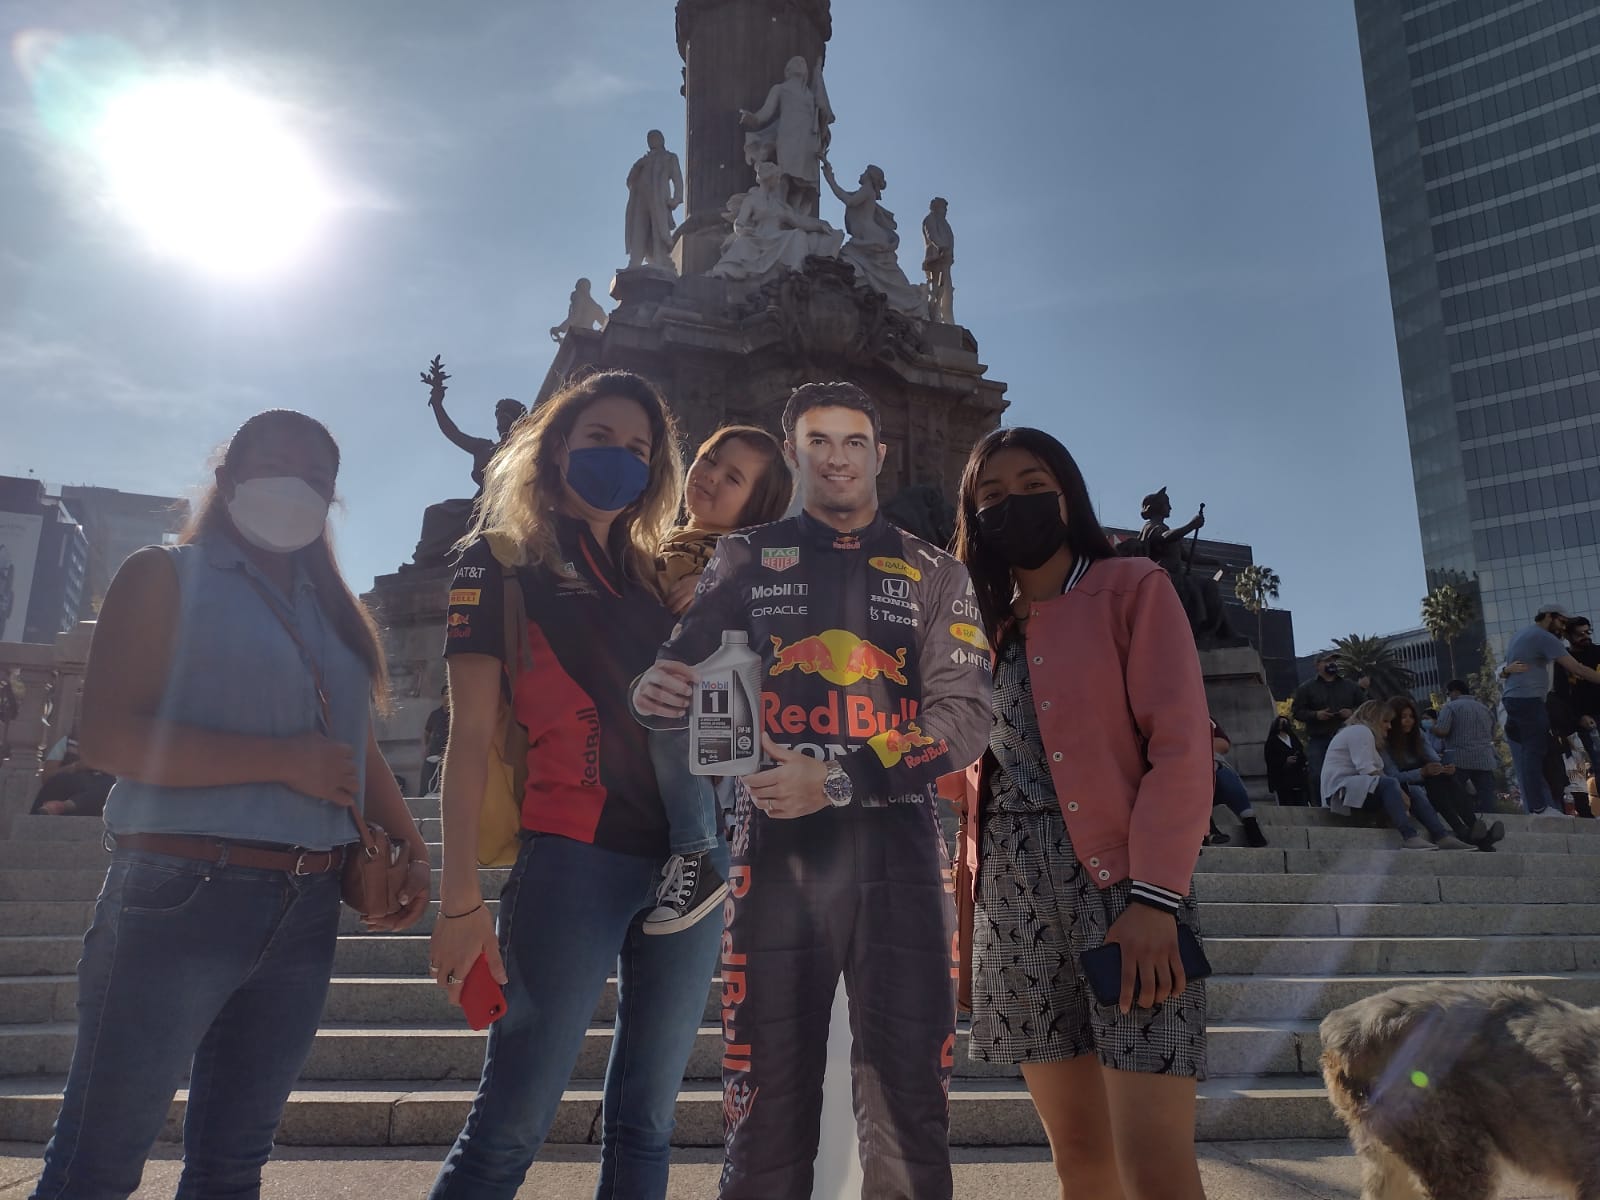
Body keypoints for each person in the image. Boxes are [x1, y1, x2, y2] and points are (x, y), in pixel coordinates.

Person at [31, 409, 431, 1200]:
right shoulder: (163, 574)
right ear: (227, 479)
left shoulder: (332, 606)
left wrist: (409, 842)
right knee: (97, 1161)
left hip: (308, 900)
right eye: (276, 467)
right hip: (180, 886)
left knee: (235, 1162)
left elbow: (355, 743)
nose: (296, 488)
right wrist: (282, 762)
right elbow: (108, 738)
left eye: (316, 479)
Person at [632, 382, 991, 1200]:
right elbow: (683, 662)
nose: (837, 458)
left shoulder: (938, 572)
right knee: (763, 1102)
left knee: (910, 1103)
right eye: (818, 442)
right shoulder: (743, 556)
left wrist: (834, 777)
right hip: (771, 852)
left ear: (879, 454)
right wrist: (653, 689)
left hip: (901, 854)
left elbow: (965, 719)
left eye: (854, 441)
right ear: (794, 454)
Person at [425, 370, 720, 1199]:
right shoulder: (500, 561)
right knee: (509, 1126)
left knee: (648, 1126)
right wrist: (458, 901)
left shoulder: (655, 575)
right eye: (600, 439)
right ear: (556, 448)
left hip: (688, 868)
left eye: (638, 448)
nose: (619, 458)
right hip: (573, 856)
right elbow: (469, 737)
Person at [944, 426, 1213, 1200]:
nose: (1014, 503)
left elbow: (1182, 747)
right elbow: (960, 773)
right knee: (1082, 1164)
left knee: (1155, 1169)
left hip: (1125, 895)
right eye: (992, 495)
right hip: (1010, 903)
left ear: (1068, 495)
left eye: (1034, 485)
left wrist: (1155, 901)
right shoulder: (978, 629)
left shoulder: (1132, 587)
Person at [643, 424, 794, 933]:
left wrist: (717, 583)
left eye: (733, 478)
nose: (709, 476)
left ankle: (698, 854)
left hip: (717, 712)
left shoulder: (748, 556)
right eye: (709, 459)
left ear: (755, 508)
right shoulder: (660, 542)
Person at [1322, 701, 1468, 850]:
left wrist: (1401, 791)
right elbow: (1367, 769)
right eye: (1385, 721)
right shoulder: (1360, 731)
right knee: (1391, 783)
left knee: (1412, 790)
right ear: (1373, 718)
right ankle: (1409, 836)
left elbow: (1378, 772)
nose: (1389, 726)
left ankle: (1441, 836)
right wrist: (1399, 792)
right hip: (1340, 792)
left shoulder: (1363, 734)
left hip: (1357, 789)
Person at [1500, 604, 1600, 817]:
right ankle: (1540, 807)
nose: (1563, 628)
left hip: (1526, 703)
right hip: (1535, 704)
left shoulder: (1523, 635)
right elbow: (1578, 669)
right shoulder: (1545, 639)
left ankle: (1550, 806)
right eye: (1562, 622)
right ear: (1548, 616)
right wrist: (1505, 671)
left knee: (1553, 757)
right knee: (1538, 754)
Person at [1385, 695, 1504, 852]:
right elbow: (1392, 777)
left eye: (1411, 717)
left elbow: (1434, 758)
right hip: (1405, 784)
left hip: (1428, 779)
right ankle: (1470, 834)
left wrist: (1445, 768)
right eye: (1403, 717)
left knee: (1444, 776)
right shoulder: (1385, 741)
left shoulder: (1417, 735)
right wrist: (1421, 772)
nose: (1408, 721)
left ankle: (1474, 830)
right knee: (1434, 780)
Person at [1291, 652, 1368, 801]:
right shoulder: (1306, 688)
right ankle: (1321, 806)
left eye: (1334, 661)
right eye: (1327, 661)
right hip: (1319, 738)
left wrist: (1352, 712)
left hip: (1346, 738)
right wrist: (1316, 715)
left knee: (1352, 771)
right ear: (1317, 665)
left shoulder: (1350, 686)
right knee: (1317, 774)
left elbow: (1366, 707)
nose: (1332, 664)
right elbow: (1296, 712)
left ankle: (1352, 804)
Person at [1433, 679, 1501, 812]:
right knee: (1487, 798)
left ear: (1455, 691)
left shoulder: (1451, 707)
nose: (1448, 697)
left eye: (1448, 694)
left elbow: (1442, 731)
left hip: (1459, 759)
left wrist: (1432, 728)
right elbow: (1492, 734)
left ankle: (1465, 820)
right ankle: (1490, 820)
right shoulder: (1484, 708)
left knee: (1456, 796)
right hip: (1485, 759)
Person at [1551, 614, 1600, 766]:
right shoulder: (1564, 661)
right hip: (1586, 721)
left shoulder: (1598, 652)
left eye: (1588, 632)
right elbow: (1562, 695)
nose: (1585, 636)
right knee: (1596, 763)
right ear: (1567, 635)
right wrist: (1578, 717)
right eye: (1580, 634)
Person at [1210, 717, 1268, 846]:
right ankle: (1208, 828)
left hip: (1209, 765)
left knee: (1224, 775)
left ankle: (1250, 821)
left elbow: (1223, 744)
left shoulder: (1204, 717)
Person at [1263, 714, 1309, 806]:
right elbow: (1270, 760)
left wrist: (1300, 760)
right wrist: (1284, 761)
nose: (1283, 725)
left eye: (1285, 723)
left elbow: (1301, 752)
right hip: (1282, 781)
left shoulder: (1293, 738)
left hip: (1297, 778)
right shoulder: (1272, 741)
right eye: (1281, 723)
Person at [421, 685, 449, 796]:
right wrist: (425, 747)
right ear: (442, 696)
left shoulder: (456, 716)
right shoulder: (435, 714)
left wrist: (445, 753)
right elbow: (426, 732)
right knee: (428, 776)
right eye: (447, 694)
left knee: (445, 779)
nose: (449, 696)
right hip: (433, 750)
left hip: (449, 752)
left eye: (451, 694)